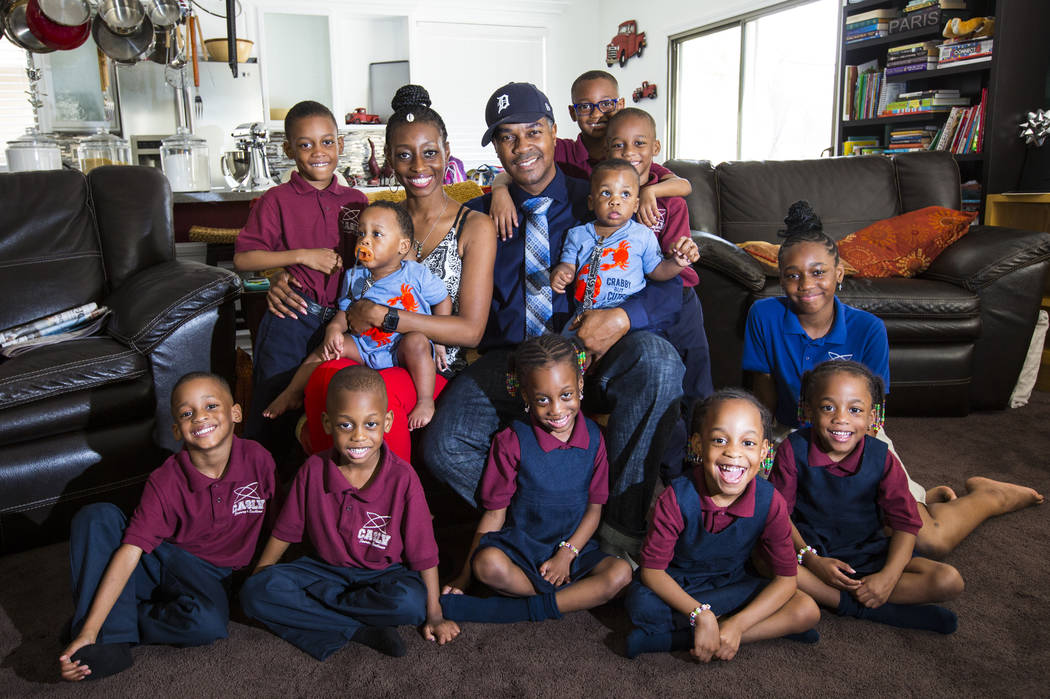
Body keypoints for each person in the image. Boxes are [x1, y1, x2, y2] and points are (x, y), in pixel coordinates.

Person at [422, 81, 685, 560]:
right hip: (511, 359)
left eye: (533, 131)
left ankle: (618, 535)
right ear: (496, 149)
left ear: (553, 132)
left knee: (659, 361)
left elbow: (669, 285)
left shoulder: (603, 198)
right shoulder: (479, 214)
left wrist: (624, 318)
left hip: (592, 351)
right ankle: (545, 526)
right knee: (445, 443)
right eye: (507, 137)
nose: (522, 147)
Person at [742, 200, 1043, 558]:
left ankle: (989, 496)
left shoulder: (868, 329)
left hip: (855, 436)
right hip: (789, 435)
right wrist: (759, 457)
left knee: (929, 540)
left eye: (819, 272)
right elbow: (762, 400)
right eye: (792, 275)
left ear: (840, 272)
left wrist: (847, 471)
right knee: (757, 521)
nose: (806, 284)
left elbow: (874, 416)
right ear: (781, 277)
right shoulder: (763, 314)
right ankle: (923, 494)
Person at [267, 85, 497, 462]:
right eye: (404, 155)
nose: (419, 167)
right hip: (371, 347)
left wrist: (388, 317)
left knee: (372, 400)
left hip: (430, 361)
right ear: (389, 158)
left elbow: (471, 330)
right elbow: (334, 268)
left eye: (430, 153)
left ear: (447, 152)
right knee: (325, 379)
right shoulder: (374, 216)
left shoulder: (474, 226)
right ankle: (333, 504)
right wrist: (281, 274)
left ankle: (391, 511)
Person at [59, 373, 276, 681]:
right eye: (187, 413)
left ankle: (116, 614)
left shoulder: (259, 459)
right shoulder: (166, 480)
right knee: (97, 517)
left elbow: (278, 523)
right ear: (177, 429)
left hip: (217, 578)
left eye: (211, 405)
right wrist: (90, 629)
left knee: (207, 625)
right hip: (171, 561)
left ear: (235, 413)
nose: (200, 417)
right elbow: (131, 551)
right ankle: (100, 635)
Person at [239, 366, 459, 660]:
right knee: (255, 593)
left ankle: (322, 614)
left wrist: (434, 614)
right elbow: (285, 532)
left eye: (370, 424)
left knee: (410, 603)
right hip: (325, 570)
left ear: (388, 422)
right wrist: (258, 575)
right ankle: (357, 629)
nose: (359, 436)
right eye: (346, 425)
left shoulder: (403, 478)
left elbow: (424, 552)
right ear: (328, 423)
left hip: (383, 575)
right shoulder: (313, 470)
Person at [439, 335, 633, 624]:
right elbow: (495, 514)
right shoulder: (511, 441)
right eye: (543, 399)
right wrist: (465, 576)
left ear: (580, 385)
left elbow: (595, 510)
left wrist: (567, 555)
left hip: (574, 548)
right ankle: (564, 599)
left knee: (621, 575)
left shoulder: (595, 438)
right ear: (526, 397)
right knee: (487, 565)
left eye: (566, 395)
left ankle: (519, 609)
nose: (556, 410)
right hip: (522, 549)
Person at [624, 389, 819, 660]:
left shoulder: (770, 501)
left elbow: (786, 579)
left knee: (806, 608)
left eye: (748, 443)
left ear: (764, 451)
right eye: (719, 440)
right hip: (680, 587)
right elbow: (653, 572)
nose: (733, 452)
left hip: (732, 584)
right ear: (697, 446)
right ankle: (757, 627)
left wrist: (738, 625)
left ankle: (692, 637)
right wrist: (700, 614)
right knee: (640, 604)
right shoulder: (676, 498)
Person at [771, 361, 964, 633]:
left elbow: (905, 524)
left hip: (869, 554)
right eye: (828, 407)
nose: (841, 418)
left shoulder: (882, 457)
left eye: (855, 410)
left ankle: (851, 597)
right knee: (765, 557)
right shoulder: (793, 450)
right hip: (811, 555)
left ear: (872, 418)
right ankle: (857, 607)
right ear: (808, 411)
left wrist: (887, 578)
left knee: (948, 580)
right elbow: (779, 516)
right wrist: (812, 559)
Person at [233, 100, 368, 465]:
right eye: (305, 145)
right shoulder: (276, 201)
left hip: (342, 320)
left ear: (339, 144)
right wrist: (301, 256)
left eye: (327, 142)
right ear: (288, 149)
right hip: (293, 317)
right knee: (273, 405)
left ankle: (310, 490)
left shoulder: (356, 201)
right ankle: (258, 490)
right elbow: (245, 258)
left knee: (327, 408)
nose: (318, 152)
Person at [263, 201, 451, 430]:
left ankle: (424, 401)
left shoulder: (416, 275)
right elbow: (345, 311)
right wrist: (333, 330)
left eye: (376, 234)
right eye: (362, 233)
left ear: (402, 246)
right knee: (328, 348)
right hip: (365, 346)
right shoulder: (354, 276)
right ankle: (292, 392)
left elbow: (442, 299)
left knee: (418, 342)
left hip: (402, 348)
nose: (365, 240)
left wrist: (439, 341)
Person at [488, 70, 692, 238]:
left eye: (606, 104)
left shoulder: (630, 158)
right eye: (585, 107)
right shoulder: (559, 149)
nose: (596, 114)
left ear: (620, 105)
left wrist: (650, 192)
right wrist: (499, 189)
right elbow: (522, 164)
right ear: (572, 112)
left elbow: (682, 184)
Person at [606, 107, 713, 410]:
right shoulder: (604, 196)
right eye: (619, 145)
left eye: (639, 143)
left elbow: (675, 253)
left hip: (679, 292)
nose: (629, 152)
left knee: (696, 371)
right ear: (607, 149)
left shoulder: (670, 201)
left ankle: (699, 444)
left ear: (655, 148)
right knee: (658, 375)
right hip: (631, 299)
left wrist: (681, 253)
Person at [550, 158, 699, 316]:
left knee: (647, 342)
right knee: (560, 341)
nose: (615, 201)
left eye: (625, 194)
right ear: (591, 202)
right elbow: (568, 265)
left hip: (628, 316)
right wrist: (561, 273)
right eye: (606, 193)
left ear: (636, 205)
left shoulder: (643, 235)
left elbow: (657, 270)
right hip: (584, 316)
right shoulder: (577, 234)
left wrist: (677, 262)